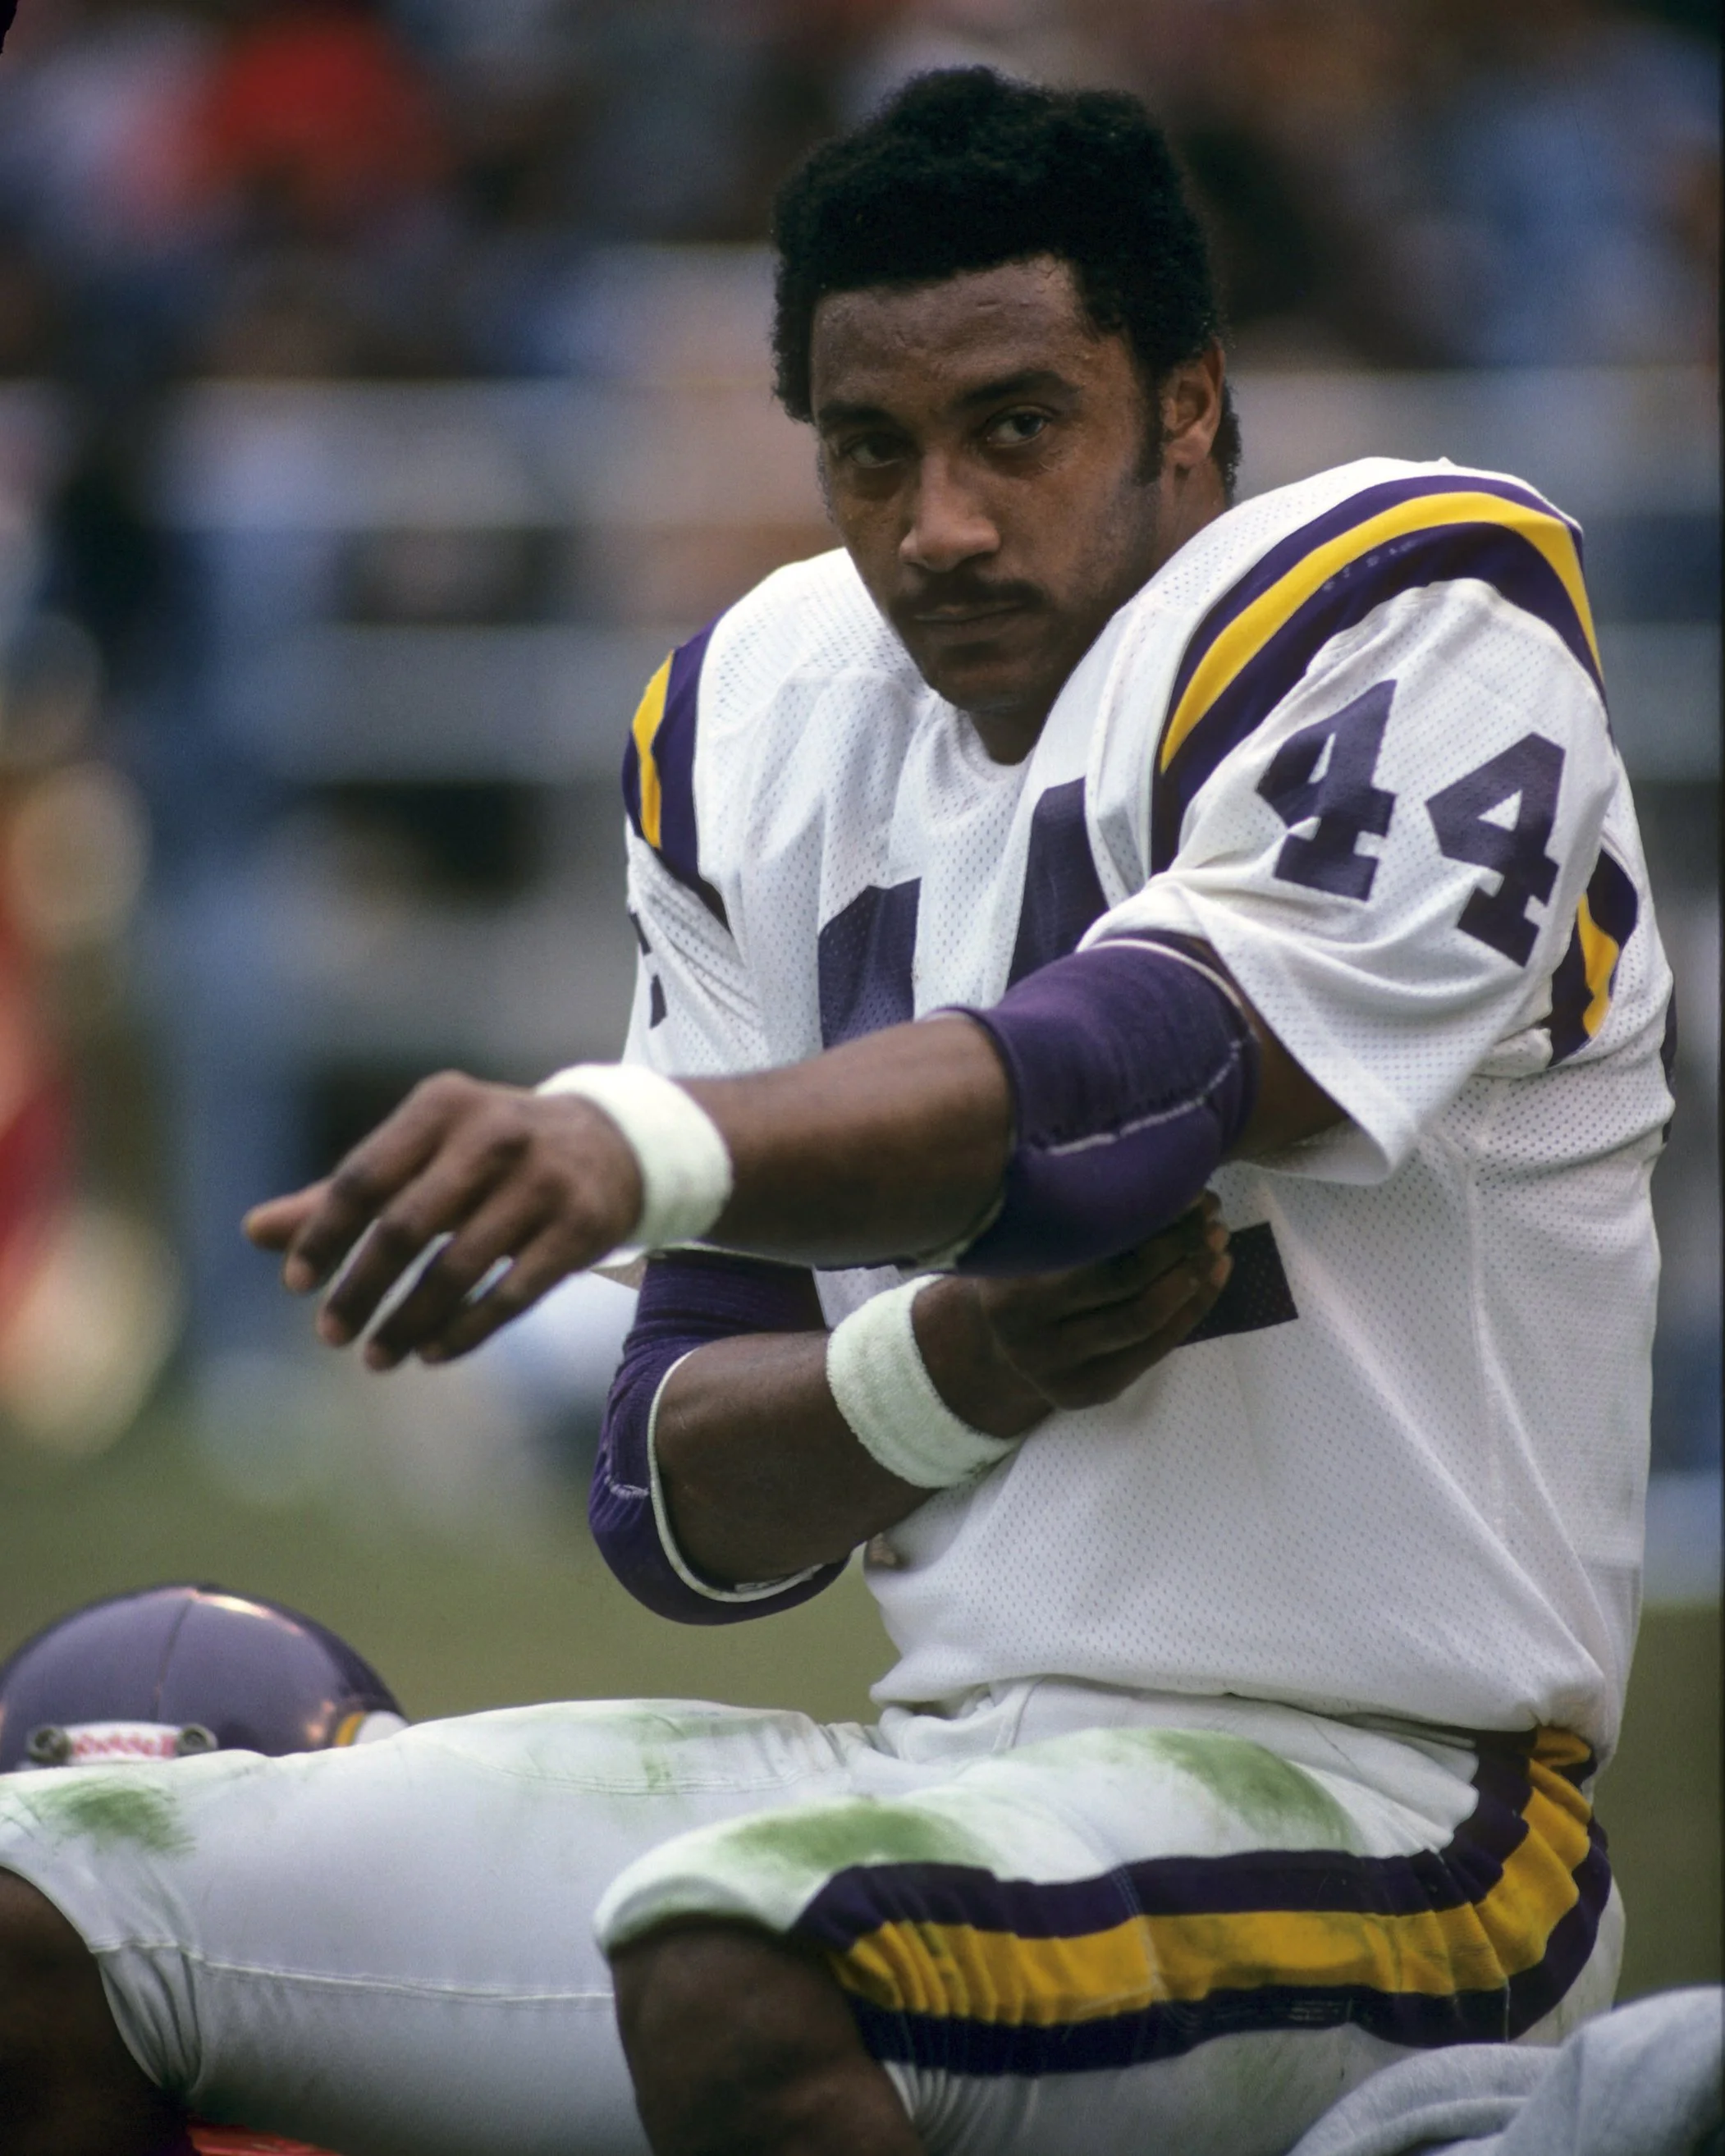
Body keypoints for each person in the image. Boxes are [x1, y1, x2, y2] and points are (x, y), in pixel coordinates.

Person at [0, 66, 1676, 2156]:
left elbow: (1145, 1072)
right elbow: (674, 1502)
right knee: (38, 1898)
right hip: (945, 1771)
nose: (937, 523)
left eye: (1015, 427)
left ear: (1185, 406)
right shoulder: (758, 719)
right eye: (870, 449)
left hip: (1411, 1814)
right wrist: (951, 1366)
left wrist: (643, 1141)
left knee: (750, 1954)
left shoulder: (1412, 610)